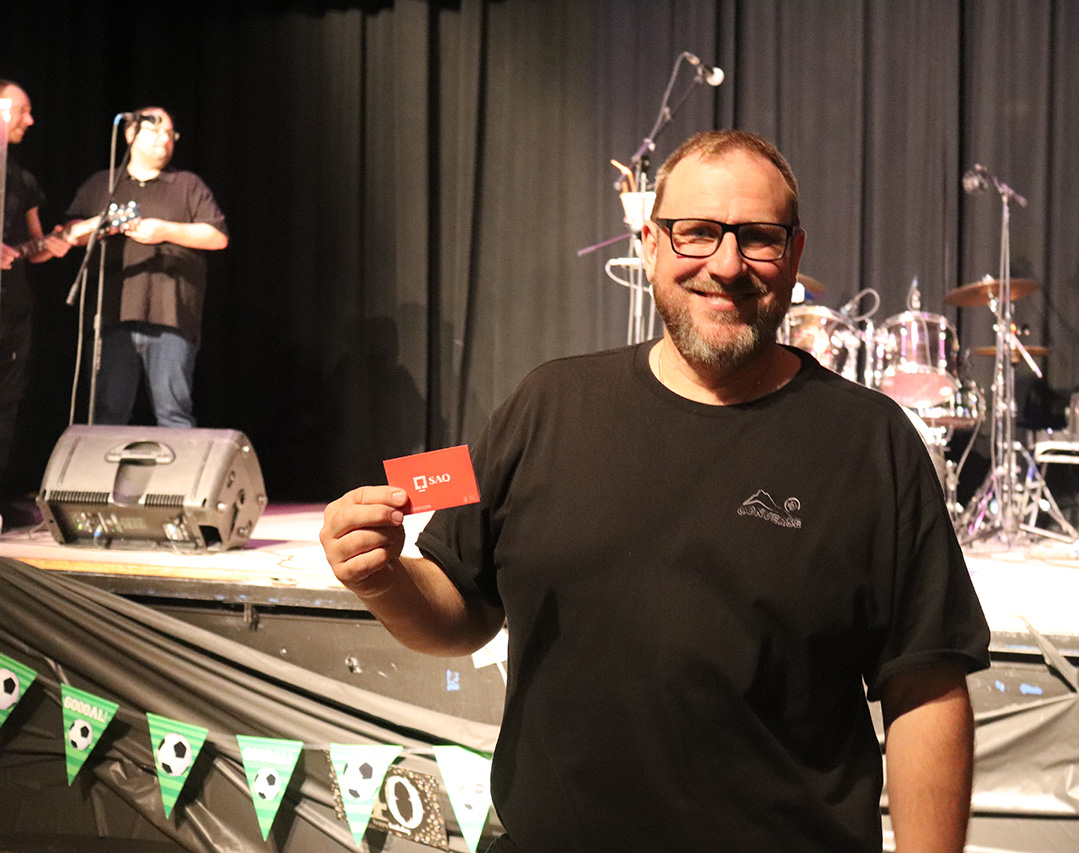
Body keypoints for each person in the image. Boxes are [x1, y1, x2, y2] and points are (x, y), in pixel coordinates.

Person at [321, 130, 990, 852]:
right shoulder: (546, 404)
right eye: (696, 232)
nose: (726, 265)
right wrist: (383, 578)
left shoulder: (870, 441)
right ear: (650, 245)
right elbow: (462, 609)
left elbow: (927, 689)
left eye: (758, 238)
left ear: (794, 255)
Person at [63, 107, 227, 427]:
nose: (165, 139)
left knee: (173, 413)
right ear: (130, 134)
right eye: (156, 130)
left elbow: (218, 237)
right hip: (112, 317)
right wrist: (101, 225)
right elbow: (69, 234)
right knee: (108, 414)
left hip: (171, 318)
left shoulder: (187, 185)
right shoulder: (104, 184)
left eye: (170, 134)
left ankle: (179, 464)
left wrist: (164, 231)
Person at [0, 80, 71, 496]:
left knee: (6, 405)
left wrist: (53, 245)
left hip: (12, 310)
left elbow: (34, 245)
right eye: (21, 110)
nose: (30, 120)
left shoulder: (22, 179)